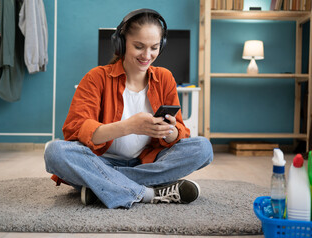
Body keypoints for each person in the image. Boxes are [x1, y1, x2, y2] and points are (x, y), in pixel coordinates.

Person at [44, 8, 213, 209]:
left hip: (146, 163)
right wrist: (129, 127)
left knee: (203, 148)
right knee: (54, 152)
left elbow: (179, 136)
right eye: (139, 46)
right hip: (99, 161)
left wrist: (169, 131)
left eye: (154, 48)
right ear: (121, 43)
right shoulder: (96, 77)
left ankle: (101, 185)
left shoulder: (164, 78)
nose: (147, 55)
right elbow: (75, 130)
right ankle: (148, 193)